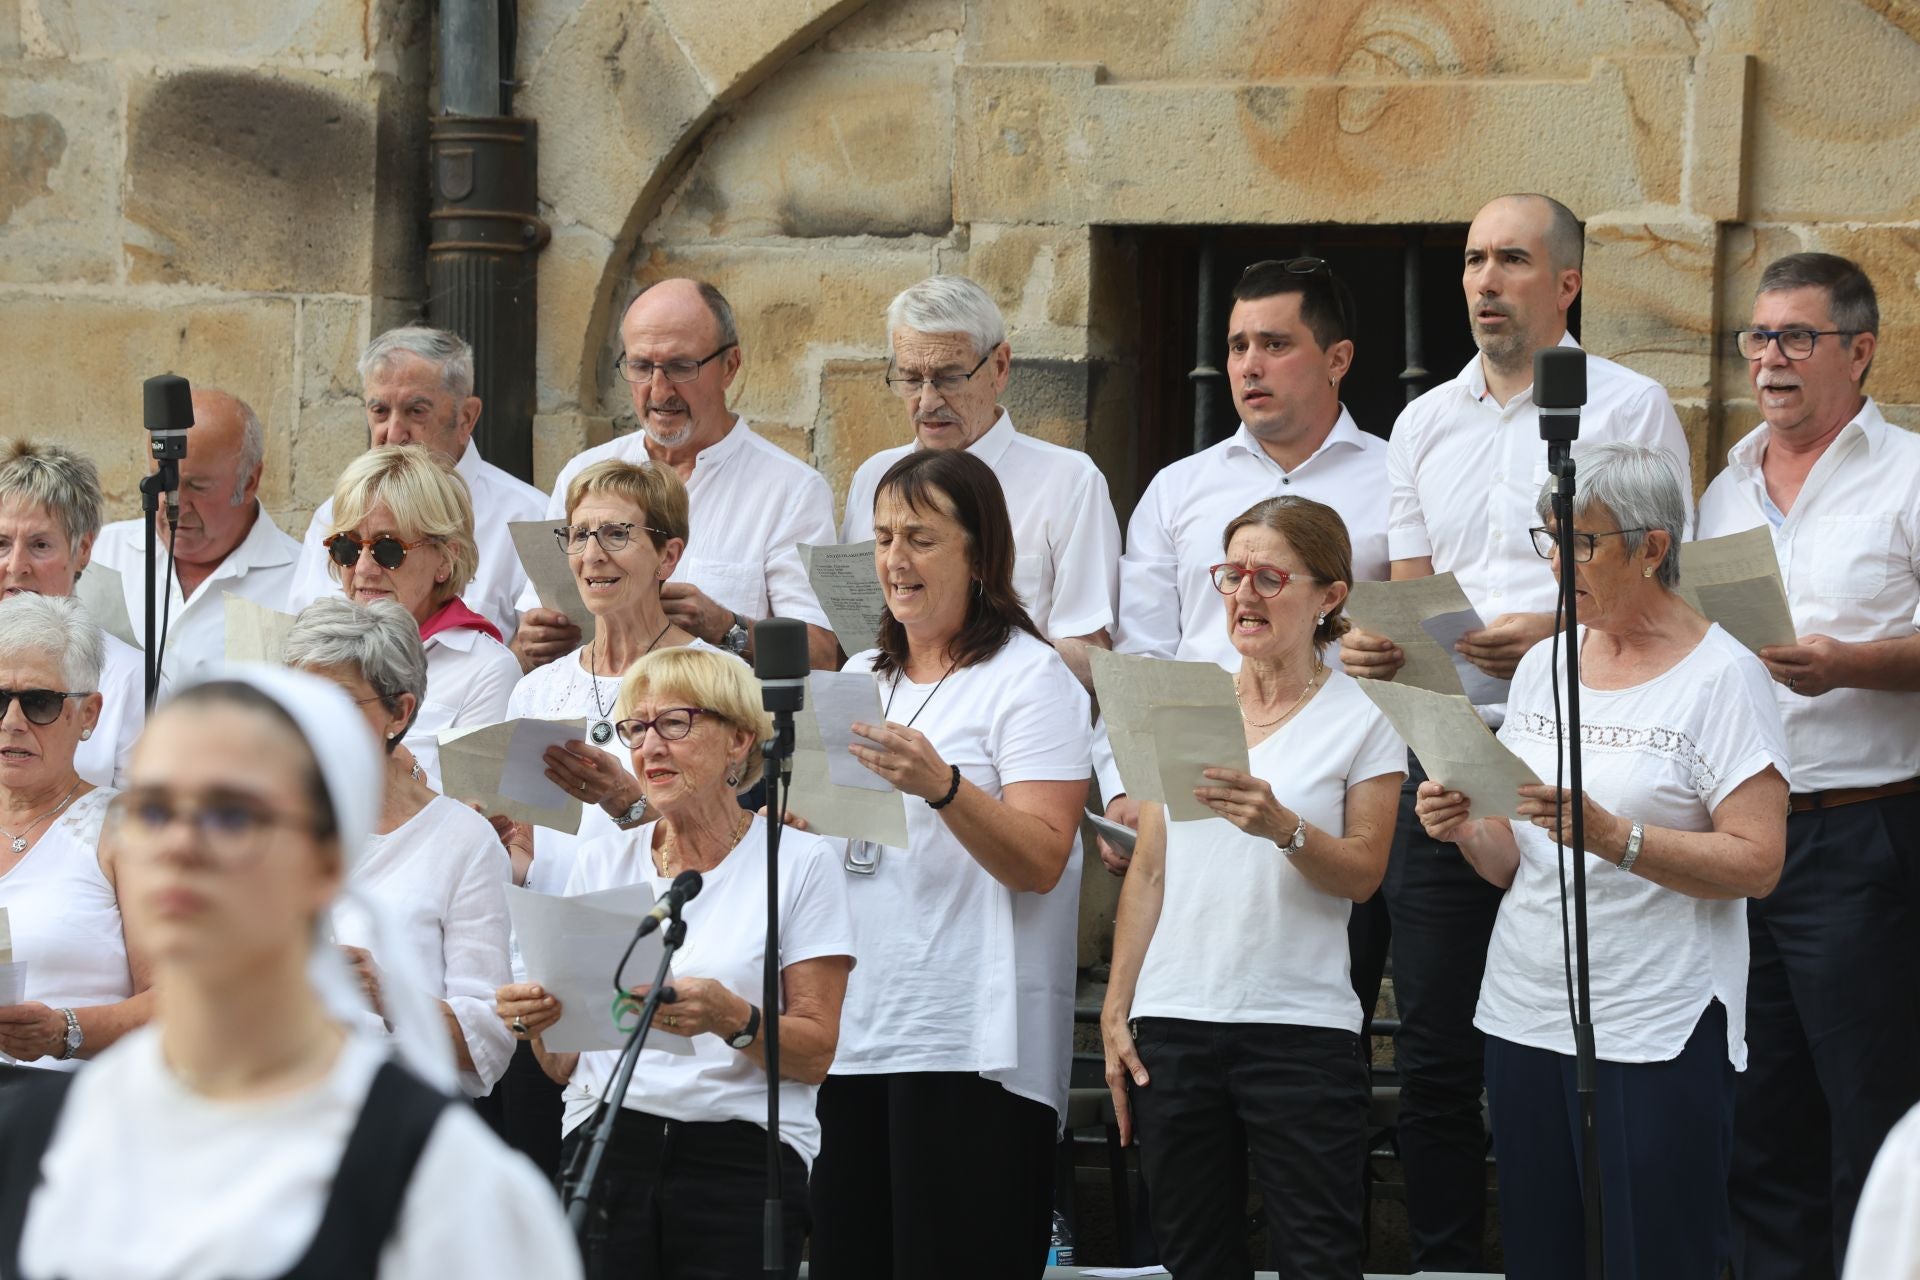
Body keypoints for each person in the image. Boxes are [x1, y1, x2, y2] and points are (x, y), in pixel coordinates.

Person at [1337, 192, 1694, 1271]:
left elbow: (1674, 585)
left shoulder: (1628, 404)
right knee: (1441, 1043)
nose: (1485, 282)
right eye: (1472, 261)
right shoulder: (1423, 420)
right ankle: (1450, 1258)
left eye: (1510, 261)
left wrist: (1547, 630)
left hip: (1596, 751)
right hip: (1456, 747)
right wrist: (1382, 645)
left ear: (1567, 282)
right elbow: (1410, 590)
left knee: (1590, 1039)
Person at [0, 665, 578, 1278]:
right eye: (155, 810)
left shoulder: (436, 1176)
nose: (179, 847)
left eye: (231, 815)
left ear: (326, 862)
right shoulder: (50, 1134)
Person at [1412, 442, 1786, 1276]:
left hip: (1657, 1018)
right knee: (1542, 1253)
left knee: (1657, 1252)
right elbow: (1515, 862)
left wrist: (1617, 837)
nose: (1558, 565)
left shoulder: (1724, 675)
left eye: (1580, 543)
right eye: (1549, 541)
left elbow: (1759, 862)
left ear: (1653, 547)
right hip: (1527, 1004)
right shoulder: (1547, 664)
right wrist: (1467, 823)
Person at [806, 448, 1091, 1280]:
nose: (895, 560)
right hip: (857, 1032)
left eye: (922, 539)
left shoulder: (1030, 678)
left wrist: (944, 786)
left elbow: (1042, 858)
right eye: (885, 537)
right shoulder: (861, 675)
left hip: (970, 1042)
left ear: (979, 555)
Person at [1102, 496, 1403, 1278]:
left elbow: (1366, 872)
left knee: (1318, 1255)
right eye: (1231, 574)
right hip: (1175, 1019)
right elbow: (1154, 865)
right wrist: (1117, 1010)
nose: (1244, 595)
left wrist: (1286, 828)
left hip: (1297, 1025)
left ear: (1330, 596)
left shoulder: (1363, 714)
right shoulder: (1188, 700)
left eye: (1270, 577)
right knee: (1194, 1256)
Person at [1695, 252, 1920, 1280]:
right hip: (1746, 839)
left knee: (1870, 1111)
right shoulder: (1723, 487)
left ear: (1859, 350)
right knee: (1759, 1114)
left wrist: (1850, 665)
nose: (1770, 359)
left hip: (1863, 835)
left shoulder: (1910, 474)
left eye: (1796, 337)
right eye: (1758, 336)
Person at [496, 646, 853, 1280]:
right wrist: (541, 1020)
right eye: (636, 727)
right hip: (605, 1140)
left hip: (741, 1156)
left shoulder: (796, 862)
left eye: (676, 723)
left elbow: (815, 1053)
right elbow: (563, 1065)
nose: (649, 747)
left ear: (739, 739)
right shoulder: (602, 862)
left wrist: (732, 1018)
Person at [1102, 257, 1387, 873]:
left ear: (1338, 360)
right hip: (1196, 774)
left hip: (1342, 776)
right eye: (1237, 346)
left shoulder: (1399, 479)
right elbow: (1144, 652)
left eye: (1275, 344)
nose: (1249, 365)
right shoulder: (1178, 488)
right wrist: (1127, 784)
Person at [513, 279, 837, 671]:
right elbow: (532, 633)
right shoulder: (584, 474)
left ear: (730, 366)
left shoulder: (792, 490)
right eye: (641, 366)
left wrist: (725, 627)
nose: (659, 389)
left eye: (681, 367)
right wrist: (532, 642)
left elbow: (822, 656)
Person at [284, 596, 515, 1099]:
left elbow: (491, 1039)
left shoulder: (462, 841)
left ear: (400, 711)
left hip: (400, 1122)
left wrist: (387, 994)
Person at [841, 275, 1121, 686]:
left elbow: (1091, 656)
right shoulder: (873, 477)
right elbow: (860, 636)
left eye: (949, 377)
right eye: (911, 379)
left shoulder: (1068, 481)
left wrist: (965, 657)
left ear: (1000, 367)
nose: (928, 400)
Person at [506, 458, 714, 878]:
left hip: (661, 929)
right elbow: (526, 854)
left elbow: (716, 842)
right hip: (549, 929)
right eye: (580, 535)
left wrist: (628, 802)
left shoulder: (714, 680)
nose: (593, 555)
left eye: (617, 534)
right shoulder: (536, 690)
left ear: (668, 557)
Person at [290, 326, 545, 639]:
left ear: (466, 417)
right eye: (380, 411)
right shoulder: (332, 517)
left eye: (416, 411)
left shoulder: (531, 517)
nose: (394, 433)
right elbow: (299, 635)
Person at [0, 594, 151, 1079]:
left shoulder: (128, 828)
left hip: (63, 1105)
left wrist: (65, 1031)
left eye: (39, 703)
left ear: (88, 714)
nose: (12, 723)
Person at [317, 444, 520, 786]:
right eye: (347, 547)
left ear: (445, 559)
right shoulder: (316, 654)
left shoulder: (486, 669)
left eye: (388, 549)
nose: (364, 568)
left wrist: (397, 761)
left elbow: (479, 823)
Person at [89, 386, 301, 692]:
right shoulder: (103, 552)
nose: (173, 503)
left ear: (250, 481)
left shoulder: (300, 581)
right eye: (161, 480)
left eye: (197, 486)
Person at [0, 442, 144, 788]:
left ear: (82, 550)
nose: (16, 566)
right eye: (1, 543)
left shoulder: (128, 678)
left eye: (40, 545)